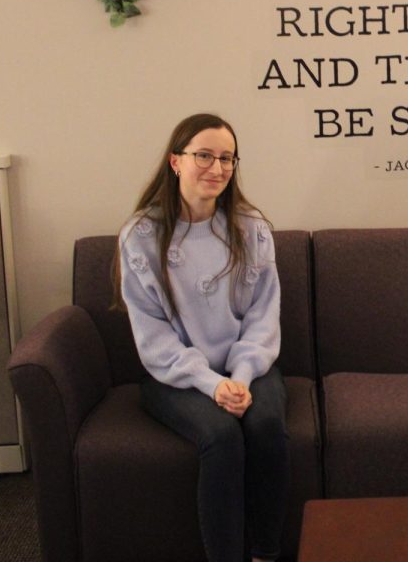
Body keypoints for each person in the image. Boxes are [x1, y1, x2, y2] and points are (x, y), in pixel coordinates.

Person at [114, 113, 288, 562]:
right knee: (221, 436)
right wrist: (213, 385)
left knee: (266, 424)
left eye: (227, 158)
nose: (217, 167)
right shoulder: (142, 235)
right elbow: (152, 337)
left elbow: (264, 318)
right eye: (204, 156)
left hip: (248, 366)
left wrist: (242, 377)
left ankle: (266, 554)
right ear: (176, 161)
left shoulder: (250, 228)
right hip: (175, 375)